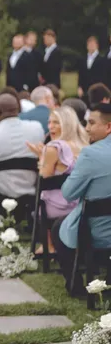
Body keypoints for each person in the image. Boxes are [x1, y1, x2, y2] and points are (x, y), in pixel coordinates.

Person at [52, 104, 111, 293]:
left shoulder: (90, 154)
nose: (86, 128)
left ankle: (75, 286)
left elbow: (68, 193)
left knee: (58, 228)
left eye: (91, 123)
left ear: (108, 126)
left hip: (98, 234)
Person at [25, 105, 88, 248]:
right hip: (82, 203)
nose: (50, 127)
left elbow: (44, 178)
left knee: (41, 198)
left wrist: (41, 157)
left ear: (67, 124)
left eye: (56, 122)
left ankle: (48, 246)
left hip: (59, 205)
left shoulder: (54, 147)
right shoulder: (85, 146)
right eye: (49, 122)